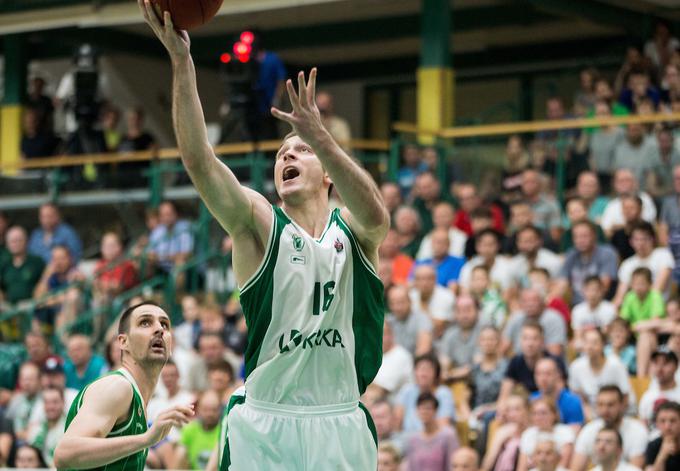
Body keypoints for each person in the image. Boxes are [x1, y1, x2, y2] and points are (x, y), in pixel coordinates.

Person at [141, 3, 390, 469]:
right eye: (281, 153)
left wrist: (323, 138)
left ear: (328, 173)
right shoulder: (259, 220)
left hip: (340, 418)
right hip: (267, 421)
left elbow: (377, 216)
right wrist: (181, 61)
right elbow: (199, 161)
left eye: (301, 150)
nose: (287, 156)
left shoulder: (354, 231)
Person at [53, 301, 194, 471]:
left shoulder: (137, 398)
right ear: (123, 342)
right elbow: (64, 454)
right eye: (145, 322)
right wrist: (146, 439)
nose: (159, 329)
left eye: (164, 324)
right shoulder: (118, 387)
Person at [570, 385, 648, 471]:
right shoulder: (588, 430)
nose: (605, 410)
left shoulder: (637, 430)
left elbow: (636, 467)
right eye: (600, 405)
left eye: (610, 405)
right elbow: (576, 469)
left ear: (622, 405)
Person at [568, 329, 634, 417]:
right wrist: (589, 416)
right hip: (592, 414)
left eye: (594, 343)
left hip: (621, 413)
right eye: (586, 342)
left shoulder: (616, 365)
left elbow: (626, 397)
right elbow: (578, 396)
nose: (590, 346)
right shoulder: (576, 366)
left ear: (603, 345)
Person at [404, 392, 460, 471]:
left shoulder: (448, 435)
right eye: (421, 408)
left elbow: (453, 464)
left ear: (435, 411)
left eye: (428, 408)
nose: (424, 412)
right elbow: (410, 467)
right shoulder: (413, 439)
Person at [517, 398, 575, 471]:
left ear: (554, 414)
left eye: (543, 413)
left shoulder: (565, 431)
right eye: (535, 413)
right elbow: (521, 467)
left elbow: (563, 464)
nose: (539, 417)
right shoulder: (528, 433)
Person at [173, 390, 221, 470]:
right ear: (198, 410)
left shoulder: (224, 431)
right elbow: (178, 459)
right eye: (206, 409)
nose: (210, 414)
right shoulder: (190, 429)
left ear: (219, 410)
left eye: (214, 410)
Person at [639, 348, 680, 426]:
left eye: (665, 363)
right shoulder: (647, 396)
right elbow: (643, 426)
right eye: (656, 363)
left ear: (676, 366)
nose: (659, 368)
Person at [645, 401, 680, 470]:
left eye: (673, 421)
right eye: (662, 421)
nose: (667, 427)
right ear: (657, 424)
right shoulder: (653, 446)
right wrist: (662, 456)